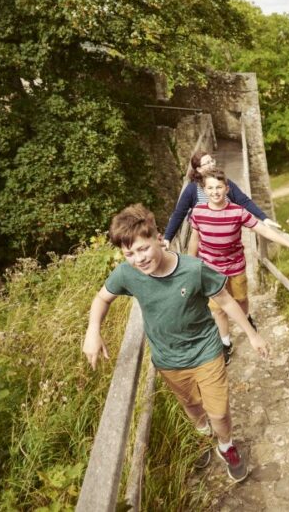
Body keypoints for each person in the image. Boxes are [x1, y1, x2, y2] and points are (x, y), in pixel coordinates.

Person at [82, 204, 271, 481]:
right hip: (168, 360)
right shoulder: (127, 274)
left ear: (158, 237)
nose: (139, 259)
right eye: (129, 253)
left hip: (206, 351)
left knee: (218, 412)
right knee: (194, 408)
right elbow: (102, 298)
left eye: (143, 248)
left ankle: (226, 445)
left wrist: (252, 335)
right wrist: (92, 330)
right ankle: (203, 432)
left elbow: (226, 301)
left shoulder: (194, 269)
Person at [188, 169, 289, 365]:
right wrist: (190, 263)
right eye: (210, 188)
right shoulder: (198, 212)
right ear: (204, 189)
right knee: (218, 310)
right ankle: (225, 343)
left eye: (219, 187)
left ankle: (245, 317)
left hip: (235, 266)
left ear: (227, 188)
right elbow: (195, 238)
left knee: (240, 299)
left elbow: (261, 228)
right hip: (210, 270)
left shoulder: (238, 211)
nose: (215, 191)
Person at [163, 152, 280, 249]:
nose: (212, 164)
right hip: (205, 245)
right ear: (198, 169)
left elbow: (244, 201)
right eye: (207, 163)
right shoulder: (192, 189)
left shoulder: (225, 183)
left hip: (228, 242)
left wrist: (263, 217)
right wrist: (168, 237)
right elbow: (179, 214)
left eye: (211, 161)